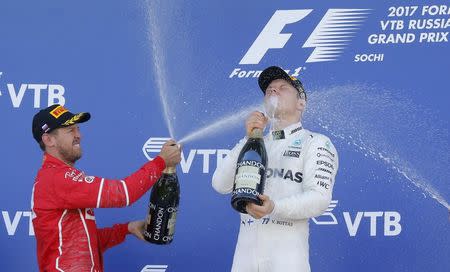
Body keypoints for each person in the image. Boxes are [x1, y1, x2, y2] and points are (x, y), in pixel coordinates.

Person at [212, 66, 339, 272]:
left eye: (282, 87)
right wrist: (249, 136)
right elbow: (220, 183)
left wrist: (274, 207)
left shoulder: (316, 142)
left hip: (287, 261)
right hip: (244, 260)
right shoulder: (255, 142)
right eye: (269, 89)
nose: (273, 90)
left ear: (301, 103)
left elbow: (320, 199)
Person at [31, 104, 181, 272]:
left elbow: (85, 244)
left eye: (77, 129)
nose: (78, 135)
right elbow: (121, 194)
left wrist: (126, 229)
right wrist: (161, 162)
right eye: (70, 131)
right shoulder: (56, 178)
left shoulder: (55, 177)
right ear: (48, 140)